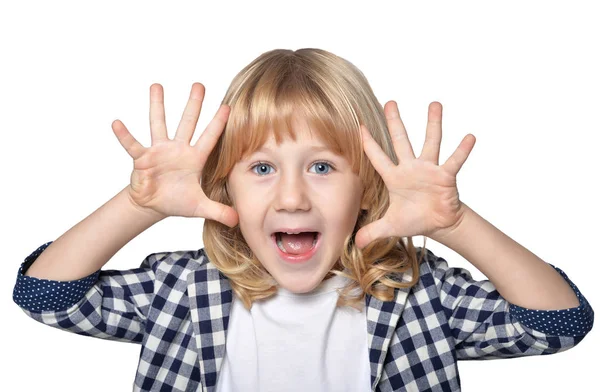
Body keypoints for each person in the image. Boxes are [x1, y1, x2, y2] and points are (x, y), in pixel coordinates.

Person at [12, 48, 594, 392]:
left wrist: (455, 223)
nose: (292, 197)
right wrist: (136, 206)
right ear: (223, 185)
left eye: (321, 165)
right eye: (262, 167)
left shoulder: (419, 294)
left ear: (368, 185)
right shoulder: (180, 289)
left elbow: (559, 326)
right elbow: (45, 295)